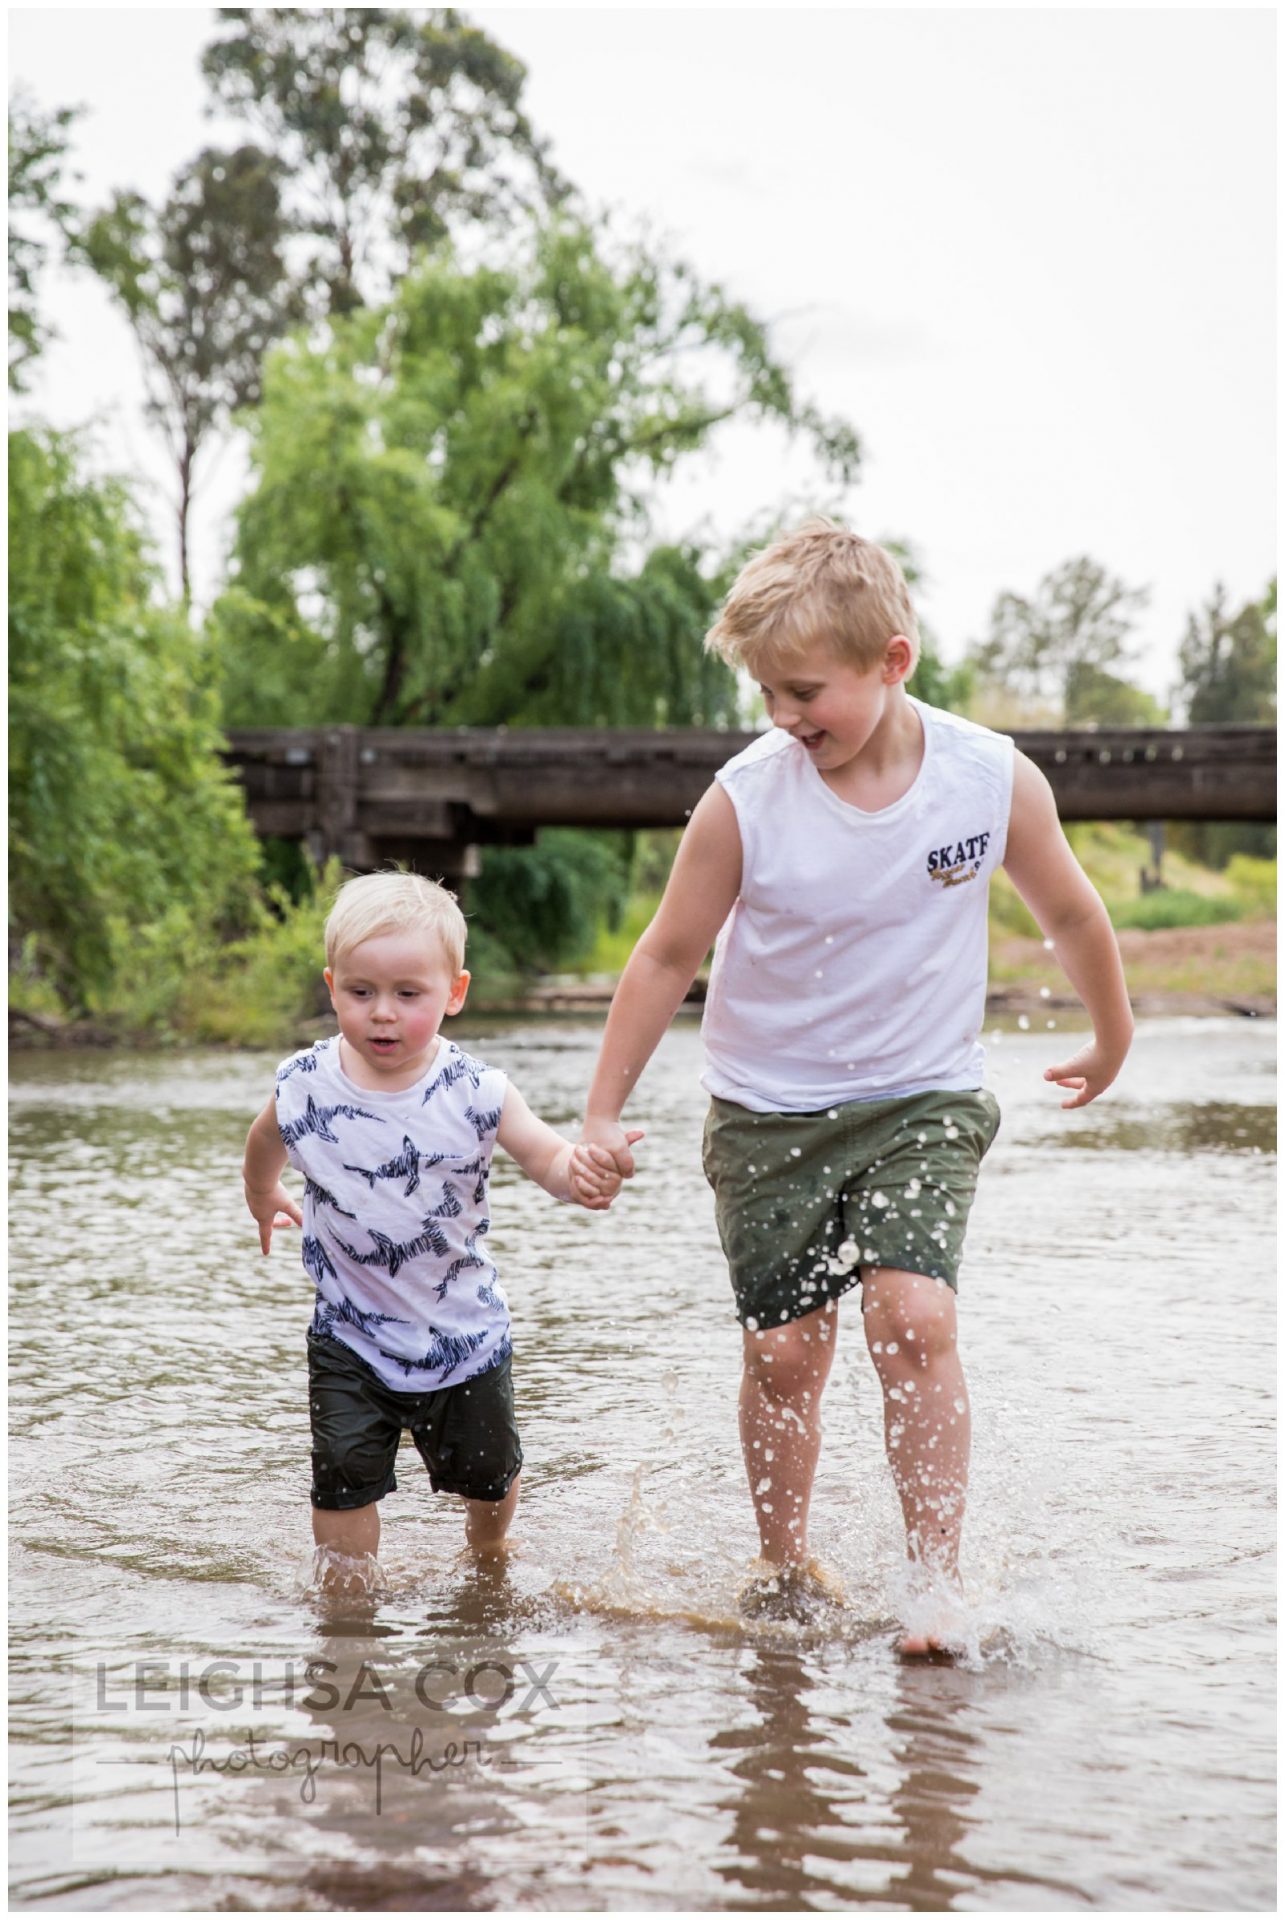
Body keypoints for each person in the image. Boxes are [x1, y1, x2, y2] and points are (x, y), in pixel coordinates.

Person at [580, 519, 1133, 1653]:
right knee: (787, 1353)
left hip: (922, 1098)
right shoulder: (746, 798)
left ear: (892, 662)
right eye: (766, 695)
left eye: (801, 690)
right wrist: (598, 1111)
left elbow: (1071, 910)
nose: (784, 718)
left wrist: (1112, 1032)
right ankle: (784, 1564)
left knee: (914, 1314)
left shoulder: (987, 779)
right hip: (764, 1109)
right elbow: (664, 955)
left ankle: (934, 1587)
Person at [242, 870, 634, 1586]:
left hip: (462, 1335)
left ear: (453, 994)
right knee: (341, 1475)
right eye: (360, 993)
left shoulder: (477, 1090)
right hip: (348, 1335)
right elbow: (266, 1136)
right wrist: (261, 1189)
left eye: (407, 995)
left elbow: (545, 1156)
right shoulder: (302, 1081)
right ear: (332, 988)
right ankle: (346, 1599)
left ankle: (488, 1557)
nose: (382, 1015)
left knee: (484, 1477)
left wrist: (580, 1173)